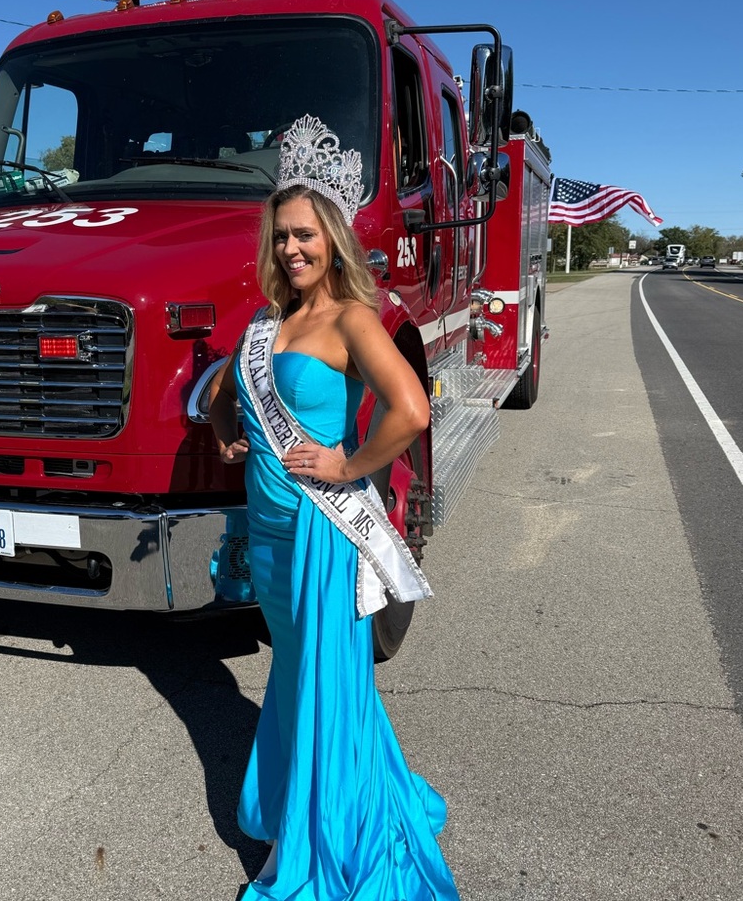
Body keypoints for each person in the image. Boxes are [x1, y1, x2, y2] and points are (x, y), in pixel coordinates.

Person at [209, 116, 459, 900]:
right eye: (282, 236)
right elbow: (219, 394)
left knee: (324, 681)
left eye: (307, 235)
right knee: (309, 676)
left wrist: (349, 461)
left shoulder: (352, 317)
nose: (292, 249)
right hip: (275, 539)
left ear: (334, 240)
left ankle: (326, 837)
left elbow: (412, 410)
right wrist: (227, 438)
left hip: (325, 535)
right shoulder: (266, 323)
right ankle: (338, 791)